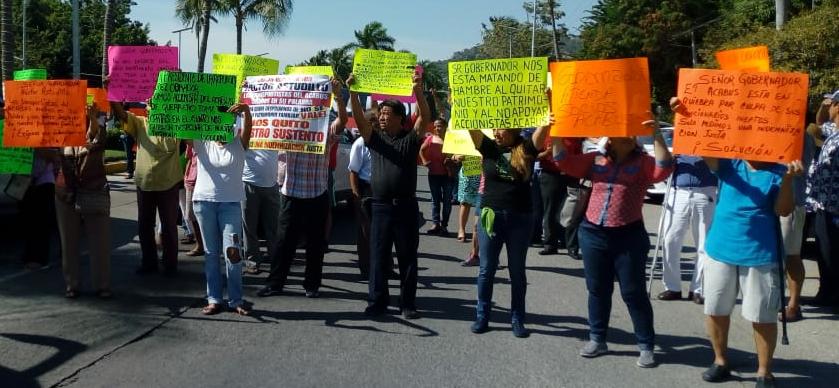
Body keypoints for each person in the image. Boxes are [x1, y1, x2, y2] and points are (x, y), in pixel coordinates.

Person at [667, 97, 801, 387]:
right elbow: (702, 145)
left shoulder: (780, 171)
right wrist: (685, 116)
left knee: (763, 315)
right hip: (720, 250)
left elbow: (783, 210)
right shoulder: (730, 163)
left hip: (761, 254)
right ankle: (720, 360)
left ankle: (764, 371)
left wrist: (790, 180)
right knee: (715, 308)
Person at [551, 118, 673, 367]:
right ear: (611, 137)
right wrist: (556, 133)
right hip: (592, 233)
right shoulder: (595, 159)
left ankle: (646, 345)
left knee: (633, 292)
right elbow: (562, 160)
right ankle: (597, 338)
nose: (628, 136)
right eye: (622, 132)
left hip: (629, 236)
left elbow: (664, 167)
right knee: (597, 289)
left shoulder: (642, 162)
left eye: (632, 134)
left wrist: (658, 135)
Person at [347, 70, 431, 319]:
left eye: (386, 114)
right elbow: (361, 120)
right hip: (380, 206)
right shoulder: (375, 139)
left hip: (405, 207)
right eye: (380, 113)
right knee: (378, 256)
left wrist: (418, 89)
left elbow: (425, 116)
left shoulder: (411, 139)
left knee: (407, 258)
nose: (381, 117)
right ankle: (377, 301)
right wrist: (352, 92)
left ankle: (407, 303)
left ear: (400, 118)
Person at [257, 78, 347, 299]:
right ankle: (275, 283)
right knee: (283, 242)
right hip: (290, 193)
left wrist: (337, 96)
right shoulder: (286, 130)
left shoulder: (325, 132)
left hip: (317, 193)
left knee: (315, 245)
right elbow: (263, 122)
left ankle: (312, 284)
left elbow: (343, 120)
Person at [468, 111, 550, 338]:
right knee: (486, 269)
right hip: (491, 215)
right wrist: (461, 105)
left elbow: (543, 130)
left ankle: (517, 318)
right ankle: (482, 315)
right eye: (494, 128)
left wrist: (549, 107)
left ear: (513, 130)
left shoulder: (527, 149)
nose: (495, 132)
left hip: (520, 218)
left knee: (517, 271)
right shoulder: (489, 148)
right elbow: (471, 128)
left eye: (500, 128)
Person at [191, 103, 253, 315]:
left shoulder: (239, 143)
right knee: (210, 253)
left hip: (231, 205)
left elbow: (248, 129)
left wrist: (245, 111)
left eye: (228, 123)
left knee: (233, 254)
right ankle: (214, 299)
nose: (223, 128)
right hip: (204, 203)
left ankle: (236, 300)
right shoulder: (202, 142)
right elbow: (183, 126)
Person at [110, 98, 182, 276]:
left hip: (168, 183)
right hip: (145, 184)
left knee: (169, 226)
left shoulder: (177, 125)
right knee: (144, 225)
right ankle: (149, 262)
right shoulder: (141, 123)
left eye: (156, 103)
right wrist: (111, 93)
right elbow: (121, 114)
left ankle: (170, 264)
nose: (151, 106)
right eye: (150, 104)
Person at [55, 104, 112, 299]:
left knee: (99, 242)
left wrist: (93, 118)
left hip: (94, 191)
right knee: (68, 242)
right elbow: (48, 153)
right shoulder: (57, 126)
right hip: (65, 192)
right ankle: (72, 284)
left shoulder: (98, 118)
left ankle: (102, 285)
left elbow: (99, 140)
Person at [656, 155, 718, 304]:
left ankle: (698, 289)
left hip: (706, 189)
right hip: (678, 190)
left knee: (704, 243)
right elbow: (663, 161)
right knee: (670, 239)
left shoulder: (712, 132)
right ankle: (672, 287)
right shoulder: (681, 134)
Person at [806, 91, 839, 308]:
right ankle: (827, 292)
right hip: (823, 203)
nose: (829, 107)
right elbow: (814, 127)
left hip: (835, 206)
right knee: (824, 250)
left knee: (833, 251)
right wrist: (823, 107)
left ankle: (833, 294)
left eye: (832, 103)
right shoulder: (832, 131)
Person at [779, 136, 814, 321]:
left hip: (792, 202)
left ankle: (793, 304)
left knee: (791, 254)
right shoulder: (763, 127)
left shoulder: (802, 135)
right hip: (765, 201)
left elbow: (802, 168)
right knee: (770, 254)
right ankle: (775, 299)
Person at [241, 143, 281, 274]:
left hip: (272, 184)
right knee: (249, 227)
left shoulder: (276, 123)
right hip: (249, 182)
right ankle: (252, 261)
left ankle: (275, 259)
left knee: (273, 227)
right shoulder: (244, 123)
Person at [348, 110, 377, 278]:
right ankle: (365, 268)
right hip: (366, 190)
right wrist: (355, 194)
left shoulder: (382, 140)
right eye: (372, 120)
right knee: (366, 232)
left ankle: (386, 266)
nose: (376, 122)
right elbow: (353, 170)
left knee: (383, 231)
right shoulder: (360, 143)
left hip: (382, 191)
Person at [21, 151, 56, 270]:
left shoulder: (46, 139)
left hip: (43, 182)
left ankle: (40, 259)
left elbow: (52, 156)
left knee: (41, 222)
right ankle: (29, 256)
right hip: (25, 180)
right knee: (28, 220)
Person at [421, 118, 455, 236]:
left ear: (445, 127)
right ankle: (436, 224)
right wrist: (425, 161)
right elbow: (421, 150)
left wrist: (452, 159)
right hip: (433, 174)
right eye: (435, 126)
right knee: (435, 200)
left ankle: (444, 226)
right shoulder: (430, 139)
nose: (437, 128)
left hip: (447, 175)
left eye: (439, 126)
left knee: (447, 202)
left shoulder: (451, 140)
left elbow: (458, 154)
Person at [455, 155, 481, 266]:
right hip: (467, 172)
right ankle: (461, 230)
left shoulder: (487, 141)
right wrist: (457, 157)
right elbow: (453, 155)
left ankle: (482, 254)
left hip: (482, 175)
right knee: (465, 202)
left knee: (481, 215)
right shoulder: (464, 140)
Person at [182, 144, 204, 256]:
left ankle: (204, 244)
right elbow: (189, 158)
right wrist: (186, 177)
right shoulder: (192, 138)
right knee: (191, 215)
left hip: (205, 182)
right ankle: (200, 244)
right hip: (191, 182)